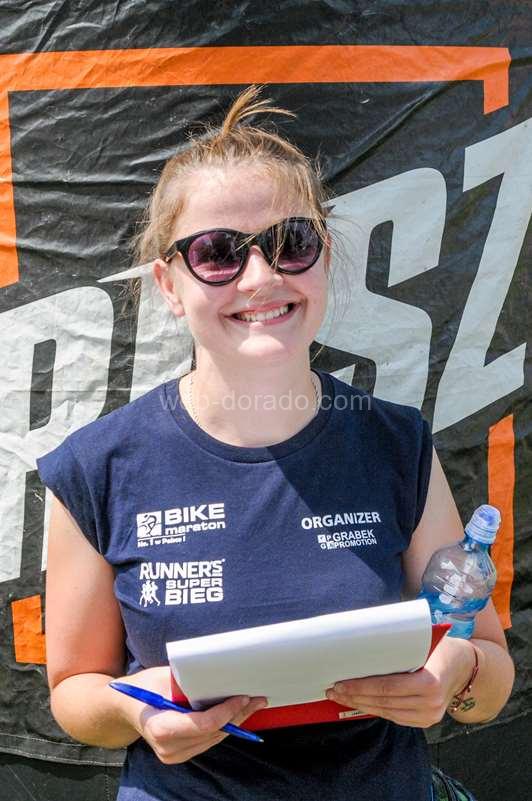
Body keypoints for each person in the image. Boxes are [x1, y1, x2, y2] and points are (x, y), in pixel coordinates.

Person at [37, 86, 514, 801]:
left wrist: (455, 678)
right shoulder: (96, 467)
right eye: (217, 254)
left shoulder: (396, 444)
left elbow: (490, 672)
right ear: (168, 285)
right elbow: (75, 691)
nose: (262, 278)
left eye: (292, 243)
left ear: (324, 257)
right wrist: (138, 712)